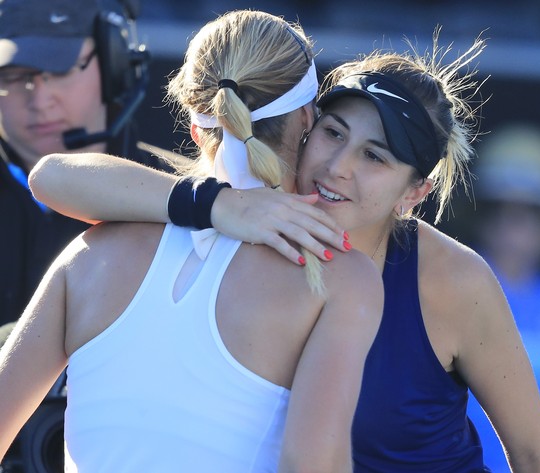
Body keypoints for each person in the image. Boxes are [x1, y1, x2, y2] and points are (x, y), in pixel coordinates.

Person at [29, 27, 540, 472]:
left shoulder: (451, 279)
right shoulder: (242, 219)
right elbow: (54, 177)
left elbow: (534, 453)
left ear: (415, 194)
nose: (338, 167)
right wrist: (219, 205)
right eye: (334, 133)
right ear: (305, 125)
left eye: (374, 158)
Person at [0, 9, 384, 472]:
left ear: (194, 125)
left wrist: (217, 205)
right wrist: (224, 207)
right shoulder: (341, 276)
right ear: (306, 116)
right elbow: (313, 465)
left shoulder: (87, 256)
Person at [0, 0, 176, 330]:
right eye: (12, 76)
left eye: (60, 71)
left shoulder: (183, 202)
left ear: (116, 65)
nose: (39, 100)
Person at [461, 123, 540, 472]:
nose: (516, 222)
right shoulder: (445, 288)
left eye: (534, 210)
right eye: (502, 207)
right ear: (483, 214)